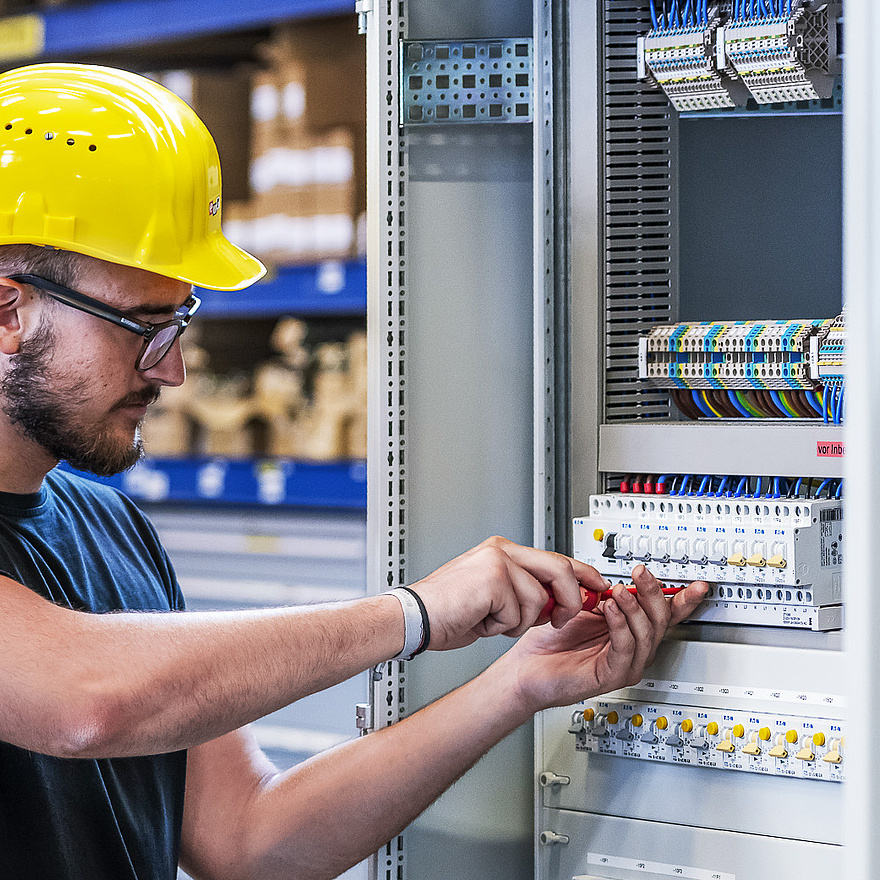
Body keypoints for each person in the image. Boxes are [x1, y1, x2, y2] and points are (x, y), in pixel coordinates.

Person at [0, 62, 708, 880]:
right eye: (144, 326)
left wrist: (514, 687)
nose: (172, 372)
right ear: (10, 312)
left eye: (179, 323)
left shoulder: (109, 528)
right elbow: (91, 700)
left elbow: (248, 840)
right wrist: (415, 614)